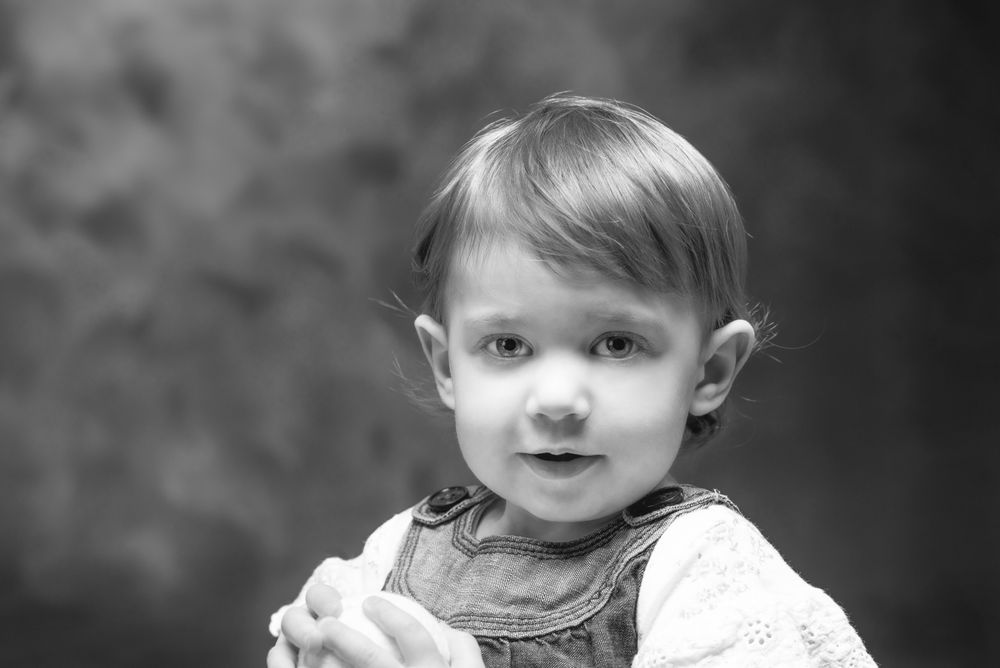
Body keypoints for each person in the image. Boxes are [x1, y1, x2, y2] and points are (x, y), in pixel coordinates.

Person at [267, 93, 876, 667]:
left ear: (708, 371)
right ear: (448, 363)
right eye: (508, 345)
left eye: (615, 344)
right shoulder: (394, 556)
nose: (557, 400)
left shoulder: (702, 574)